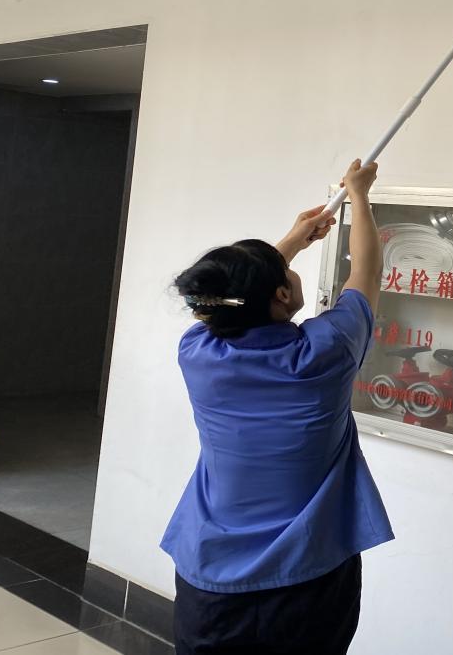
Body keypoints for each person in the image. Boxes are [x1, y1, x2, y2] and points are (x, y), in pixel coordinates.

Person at [163, 159, 392, 655]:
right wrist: (359, 196)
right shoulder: (325, 351)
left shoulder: (198, 353)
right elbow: (367, 273)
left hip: (210, 582)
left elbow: (228, 301)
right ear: (283, 293)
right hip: (306, 581)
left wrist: (290, 242)